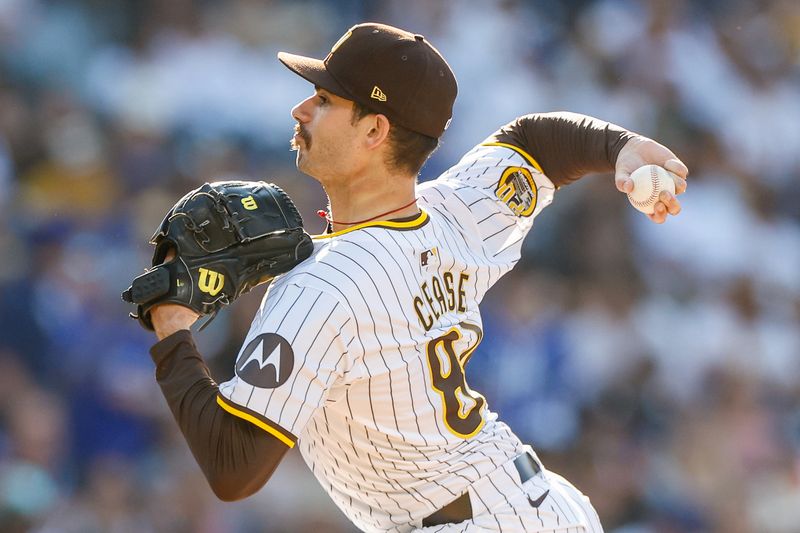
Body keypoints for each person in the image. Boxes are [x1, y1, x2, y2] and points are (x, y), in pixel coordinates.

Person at [146, 22, 687, 532]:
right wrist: (619, 145)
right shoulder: (458, 211)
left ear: (376, 129)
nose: (302, 108)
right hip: (535, 504)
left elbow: (233, 468)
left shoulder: (323, 286)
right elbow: (537, 142)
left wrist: (173, 328)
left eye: (326, 100)